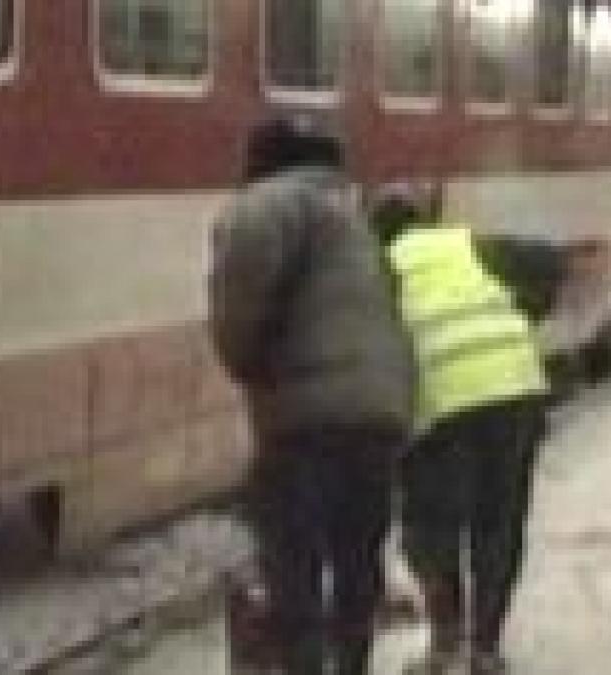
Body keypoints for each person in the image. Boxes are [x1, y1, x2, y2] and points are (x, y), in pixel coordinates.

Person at [208, 118, 415, 675]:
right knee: (357, 563)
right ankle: (352, 664)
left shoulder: (262, 207)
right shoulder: (352, 218)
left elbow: (238, 314)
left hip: (306, 421)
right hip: (381, 413)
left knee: (292, 568)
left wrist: (244, 364)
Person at [373, 187, 549, 675]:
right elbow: (545, 260)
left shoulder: (380, 265)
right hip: (516, 387)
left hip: (444, 401)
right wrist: (528, 313)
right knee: (500, 523)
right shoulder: (467, 244)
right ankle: (486, 647)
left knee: (431, 525)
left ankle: (446, 642)